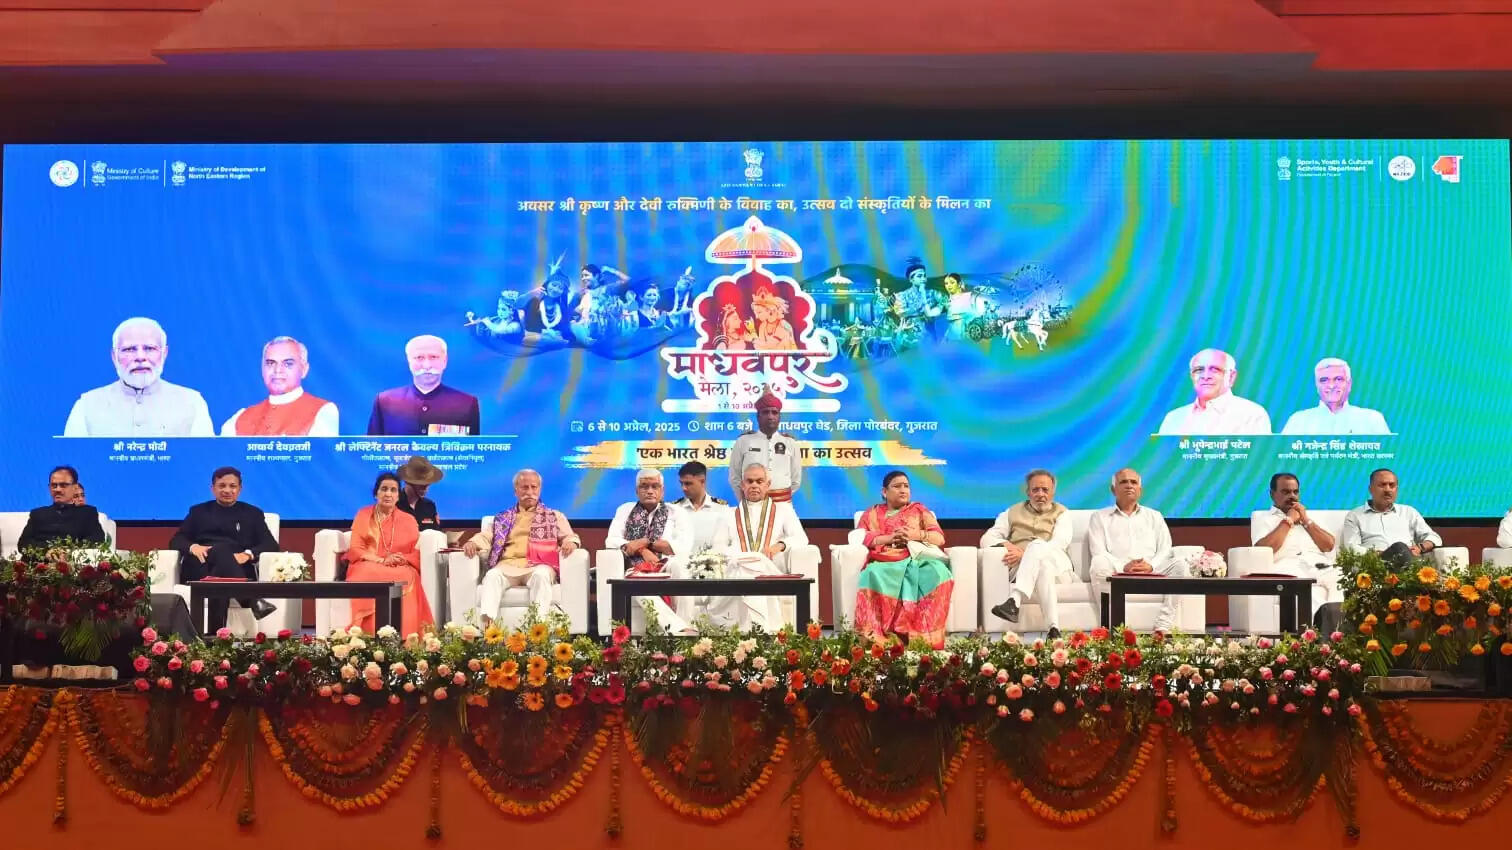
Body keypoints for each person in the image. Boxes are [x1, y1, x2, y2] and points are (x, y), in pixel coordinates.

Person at [63, 317, 214, 437]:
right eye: (129, 349)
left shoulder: (192, 403)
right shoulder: (86, 406)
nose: (140, 357)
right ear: (114, 356)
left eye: (149, 348)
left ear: (164, 353)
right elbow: (71, 460)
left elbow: (205, 459)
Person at [463, 469, 580, 625]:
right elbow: (485, 536)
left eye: (534, 487)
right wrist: (473, 542)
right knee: (492, 576)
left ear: (539, 489)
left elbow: (569, 536)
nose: (530, 492)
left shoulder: (554, 516)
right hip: (507, 565)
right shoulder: (502, 518)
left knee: (541, 575)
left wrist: (571, 542)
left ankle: (538, 629)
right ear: (516, 491)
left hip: (539, 565)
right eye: (525, 487)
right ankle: (488, 630)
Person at [168, 467, 279, 631]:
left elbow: (271, 545)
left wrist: (247, 555)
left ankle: (215, 636)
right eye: (222, 486)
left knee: (220, 573)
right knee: (220, 551)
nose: (227, 490)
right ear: (213, 488)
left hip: (237, 568)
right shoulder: (198, 512)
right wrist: (193, 546)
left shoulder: (252, 514)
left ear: (240, 489)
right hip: (201, 566)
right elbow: (176, 540)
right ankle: (252, 600)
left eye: (232, 486)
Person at [853, 470, 953, 648]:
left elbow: (939, 538)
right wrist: (890, 538)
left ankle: (923, 639)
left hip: (917, 559)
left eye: (906, 486)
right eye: (897, 486)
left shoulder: (919, 510)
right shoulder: (872, 514)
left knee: (939, 573)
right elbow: (860, 537)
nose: (903, 490)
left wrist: (916, 535)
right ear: (884, 492)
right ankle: (877, 639)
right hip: (886, 560)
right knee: (871, 573)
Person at [702, 463, 809, 630]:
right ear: (742, 485)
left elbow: (801, 538)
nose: (754, 485)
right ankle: (761, 629)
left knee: (756, 562)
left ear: (768, 484)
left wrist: (779, 545)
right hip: (736, 569)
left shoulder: (783, 510)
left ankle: (752, 629)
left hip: (769, 569)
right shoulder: (728, 513)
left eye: (759, 481)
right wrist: (738, 556)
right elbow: (718, 547)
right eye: (749, 481)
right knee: (747, 564)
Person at [1086, 468, 1186, 632]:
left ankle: (1163, 625)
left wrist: (1151, 565)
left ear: (1140, 490)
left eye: (1133, 482)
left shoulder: (1154, 516)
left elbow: (1165, 548)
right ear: (1113, 489)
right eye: (1123, 482)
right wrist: (1123, 566)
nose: (1129, 486)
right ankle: (1114, 626)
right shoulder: (1099, 517)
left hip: (1151, 569)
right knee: (1098, 563)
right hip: (1117, 572)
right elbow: (1098, 550)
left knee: (1179, 564)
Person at [984, 469, 1073, 637]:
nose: (1040, 494)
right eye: (1035, 490)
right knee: (1043, 568)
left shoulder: (1062, 513)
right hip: (1022, 568)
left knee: (1038, 546)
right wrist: (1006, 544)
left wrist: (1027, 553)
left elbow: (1059, 543)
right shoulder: (1012, 512)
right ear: (1028, 492)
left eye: (1045, 490)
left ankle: (1014, 600)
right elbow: (987, 538)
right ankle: (1054, 629)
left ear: (1052, 492)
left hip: (1058, 566)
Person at [605, 469, 694, 633]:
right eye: (644, 486)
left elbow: (682, 546)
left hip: (665, 563)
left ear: (662, 490)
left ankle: (686, 621)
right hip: (634, 566)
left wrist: (647, 542)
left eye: (655, 486)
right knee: (637, 583)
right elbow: (611, 540)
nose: (650, 491)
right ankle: (680, 629)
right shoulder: (625, 510)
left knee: (680, 567)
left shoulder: (676, 512)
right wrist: (642, 551)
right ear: (636, 491)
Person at [345, 472, 433, 636]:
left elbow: (415, 552)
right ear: (376, 493)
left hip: (398, 566)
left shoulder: (408, 520)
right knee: (365, 572)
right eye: (384, 489)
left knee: (407, 575)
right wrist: (381, 560)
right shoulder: (364, 515)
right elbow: (356, 549)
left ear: (398, 496)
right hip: (369, 564)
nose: (388, 494)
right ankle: (368, 635)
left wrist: (402, 558)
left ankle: (406, 637)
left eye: (393, 490)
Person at [221, 336, 339, 436]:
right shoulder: (240, 418)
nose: (277, 370)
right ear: (262, 369)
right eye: (270, 363)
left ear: (304, 369)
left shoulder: (323, 411)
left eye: (288, 364)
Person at [1253, 472, 1341, 606]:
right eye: (1286, 492)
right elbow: (1264, 550)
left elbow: (1328, 545)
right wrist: (1288, 520)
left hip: (1319, 564)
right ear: (1272, 494)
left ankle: (1336, 618)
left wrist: (1305, 520)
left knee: (1341, 578)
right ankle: (1319, 618)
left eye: (1295, 492)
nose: (1292, 496)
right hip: (1288, 567)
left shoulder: (1308, 517)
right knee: (1305, 590)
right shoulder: (1264, 519)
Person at [367, 335, 481, 436]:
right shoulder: (385, 402)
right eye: (419, 358)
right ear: (409, 361)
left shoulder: (466, 403)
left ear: (445, 361)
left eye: (433, 357)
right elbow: (372, 448)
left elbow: (473, 450)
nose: (427, 365)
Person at [1339, 468, 1442, 568]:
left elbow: (1434, 537)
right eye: (1382, 485)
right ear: (1370, 489)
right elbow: (1351, 548)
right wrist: (1378, 553)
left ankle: (1414, 574)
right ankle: (1417, 575)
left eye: (1392, 485)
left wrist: (1420, 547)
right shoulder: (1355, 515)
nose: (1387, 490)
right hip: (1377, 565)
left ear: (1397, 489)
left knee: (1402, 550)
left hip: (1407, 559)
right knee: (1399, 547)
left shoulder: (1408, 512)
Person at [1157, 348, 1271, 435]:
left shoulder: (1252, 415)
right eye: (1199, 370)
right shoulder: (1174, 418)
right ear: (1192, 376)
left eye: (1215, 370)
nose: (1205, 376)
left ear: (1231, 376)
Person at [1281, 358, 1391, 435]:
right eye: (1324, 380)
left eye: (1338, 379)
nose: (1331, 385)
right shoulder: (1298, 421)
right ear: (1317, 386)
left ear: (1349, 384)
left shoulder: (1372, 419)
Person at [729, 391, 802, 502]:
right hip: (751, 503)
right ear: (758, 416)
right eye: (766, 412)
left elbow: (796, 481)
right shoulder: (743, 441)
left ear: (779, 417)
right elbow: (735, 477)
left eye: (774, 412)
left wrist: (780, 498)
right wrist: (745, 501)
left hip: (782, 503)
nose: (770, 416)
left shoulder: (790, 443)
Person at [16, 465, 106, 551]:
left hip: (73, 560)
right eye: (54, 485)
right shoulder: (37, 514)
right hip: (40, 560)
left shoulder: (88, 513)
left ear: (75, 487)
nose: (57, 489)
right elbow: (23, 544)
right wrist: (47, 551)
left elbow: (97, 539)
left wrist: (67, 551)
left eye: (63, 485)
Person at [671, 461, 729, 553]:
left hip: (712, 559)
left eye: (688, 483)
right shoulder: (674, 509)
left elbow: (724, 542)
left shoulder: (721, 508)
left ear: (702, 481)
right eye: (681, 483)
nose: (683, 488)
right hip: (681, 559)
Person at [395, 455, 443, 530]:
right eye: (421, 485)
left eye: (428, 484)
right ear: (408, 482)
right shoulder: (394, 505)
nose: (425, 488)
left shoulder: (429, 506)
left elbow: (435, 533)